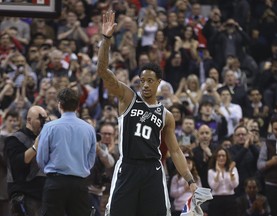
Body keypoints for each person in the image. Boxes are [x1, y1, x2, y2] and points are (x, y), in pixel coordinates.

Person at [97, 11, 197, 216]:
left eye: (150, 81)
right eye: (142, 80)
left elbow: (175, 151)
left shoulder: (165, 114)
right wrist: (106, 39)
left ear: (159, 82)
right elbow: (103, 72)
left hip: (153, 170)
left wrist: (190, 180)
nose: (145, 85)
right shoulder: (127, 98)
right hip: (128, 167)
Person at [36, 88, 97, 216]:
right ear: (77, 106)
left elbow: (41, 158)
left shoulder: (49, 127)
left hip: (55, 183)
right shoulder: (89, 129)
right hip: (79, 184)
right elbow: (91, 160)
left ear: (60, 104)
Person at [4, 105, 48, 216]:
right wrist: (35, 147)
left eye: (45, 119)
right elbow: (17, 164)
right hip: (25, 195)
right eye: (40, 119)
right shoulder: (15, 139)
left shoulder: (47, 139)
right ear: (29, 120)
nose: (44, 123)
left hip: (45, 195)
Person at [257, 115, 277, 216]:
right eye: (276, 129)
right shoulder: (267, 143)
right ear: (272, 129)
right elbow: (259, 165)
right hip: (272, 185)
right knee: (276, 213)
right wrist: (271, 162)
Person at [207, 147, 239, 216]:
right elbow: (213, 187)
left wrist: (231, 173)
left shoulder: (233, 169)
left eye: (223, 156)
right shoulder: (211, 171)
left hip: (230, 199)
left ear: (227, 157)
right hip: (216, 200)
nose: (221, 158)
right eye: (219, 156)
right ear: (216, 158)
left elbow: (235, 185)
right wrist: (218, 173)